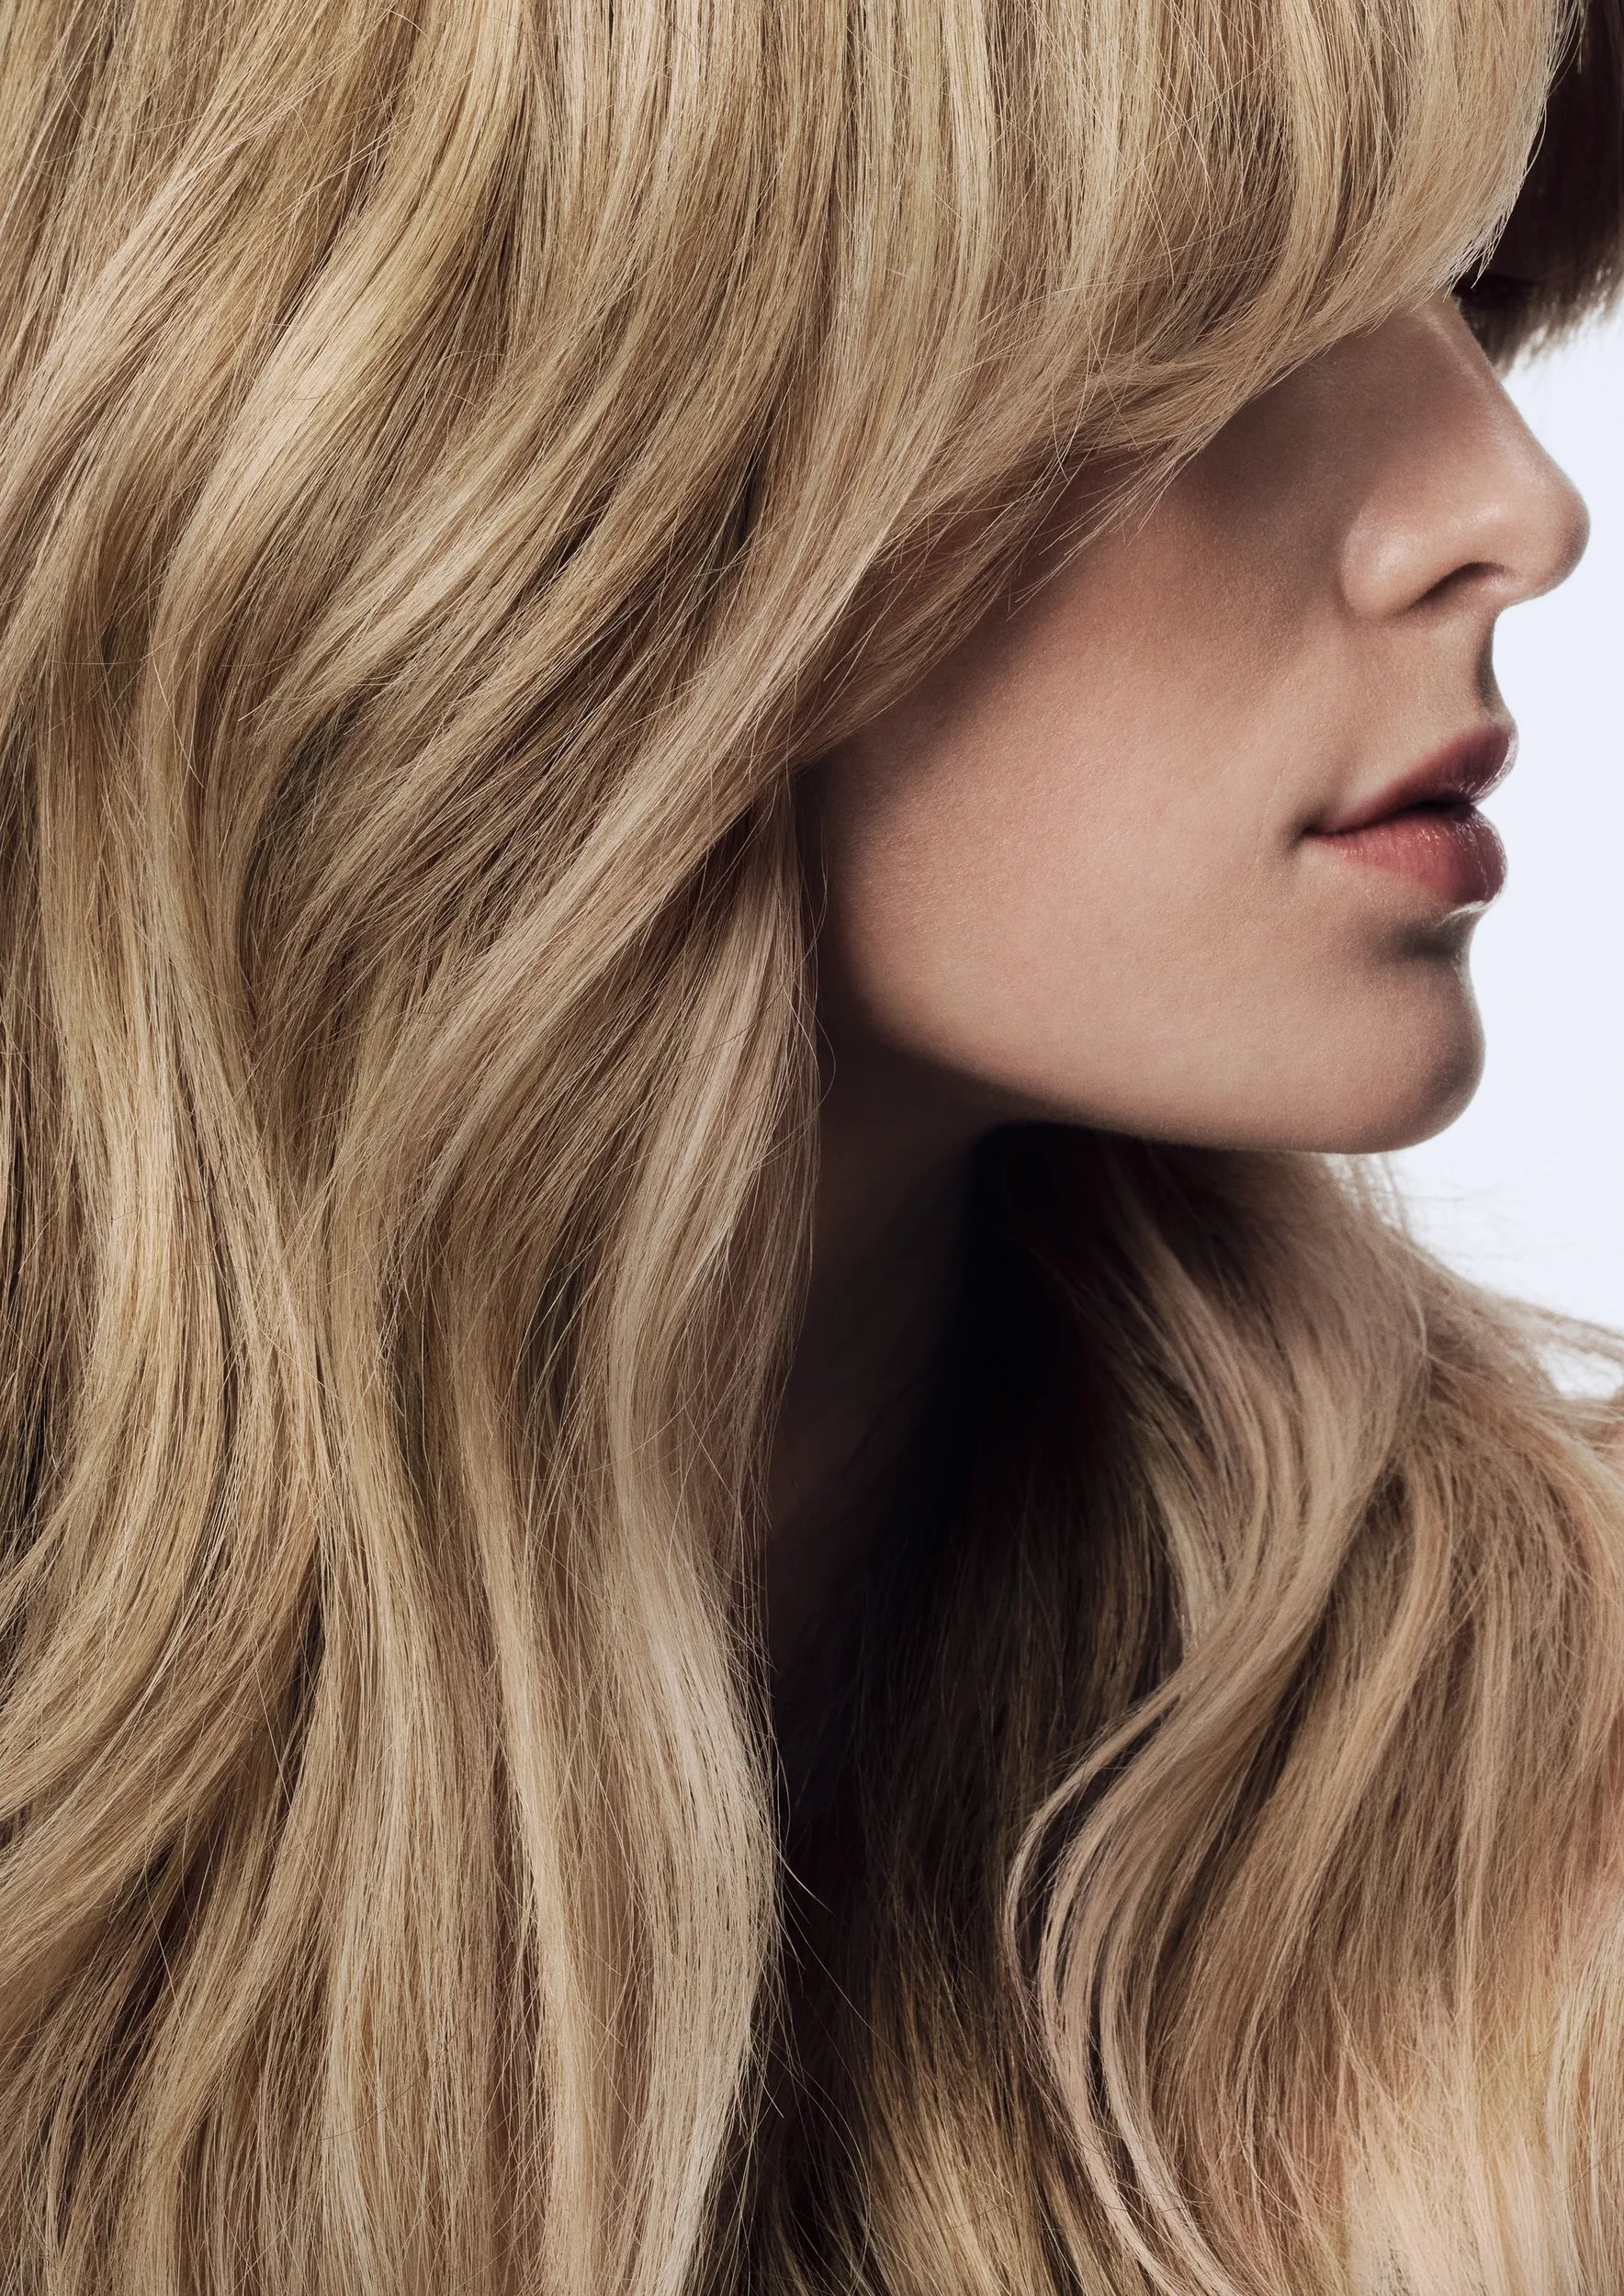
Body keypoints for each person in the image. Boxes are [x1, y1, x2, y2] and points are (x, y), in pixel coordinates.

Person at [1, 0, 1622, 2290]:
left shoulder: (1551, 1882)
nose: (1508, 507)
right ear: (496, 475)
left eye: (1449, 291)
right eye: (1208, 344)